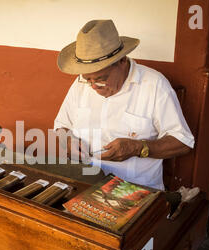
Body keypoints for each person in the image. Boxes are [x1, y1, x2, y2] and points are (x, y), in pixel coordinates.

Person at [54, 20, 195, 190]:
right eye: (88, 79)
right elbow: (62, 126)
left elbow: (183, 142)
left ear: (122, 61)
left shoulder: (154, 85)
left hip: (134, 189)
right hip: (85, 182)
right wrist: (68, 140)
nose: (93, 86)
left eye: (101, 79)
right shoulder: (80, 84)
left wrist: (138, 147)